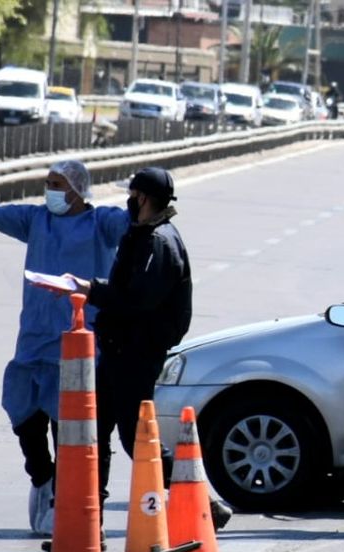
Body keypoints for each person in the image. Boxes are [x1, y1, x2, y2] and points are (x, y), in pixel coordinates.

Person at [0, 157, 129, 537]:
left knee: (64, 424)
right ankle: (43, 477)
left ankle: (64, 502)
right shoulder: (36, 220)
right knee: (23, 414)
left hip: (77, 343)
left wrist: (140, 198)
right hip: (34, 340)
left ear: (76, 188)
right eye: (49, 182)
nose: (50, 189)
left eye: (57, 183)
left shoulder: (99, 223)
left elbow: (136, 227)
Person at [63, 167, 231, 529]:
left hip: (136, 356)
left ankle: (205, 503)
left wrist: (93, 289)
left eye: (132, 194)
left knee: (136, 438)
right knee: (96, 430)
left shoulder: (159, 242)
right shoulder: (141, 235)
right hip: (118, 350)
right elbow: (128, 287)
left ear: (142, 198)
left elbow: (139, 298)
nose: (128, 200)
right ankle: (87, 522)